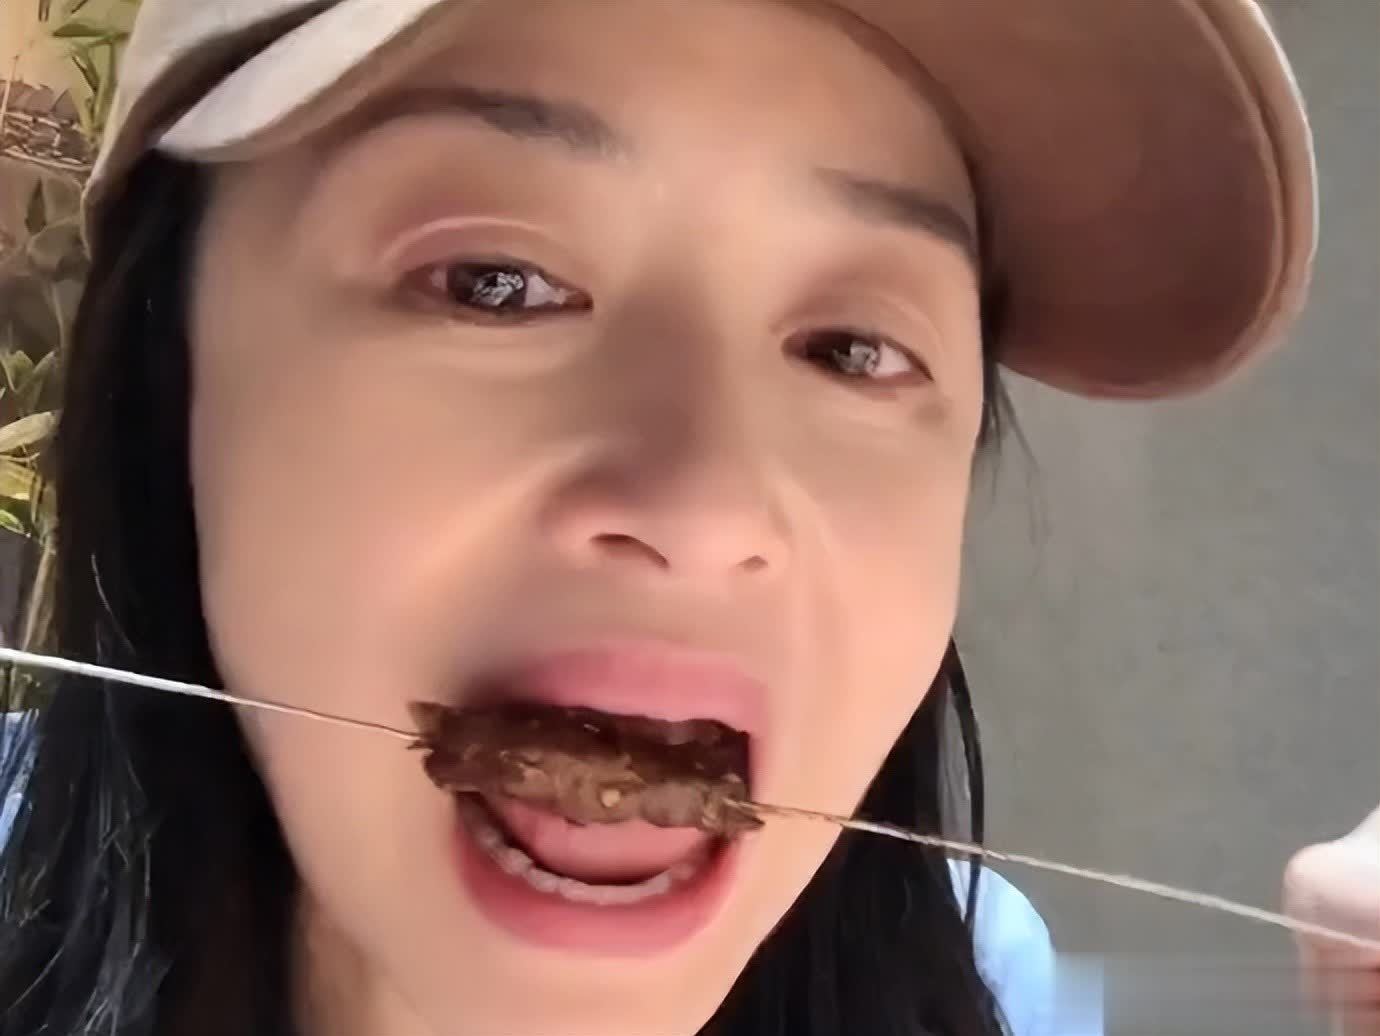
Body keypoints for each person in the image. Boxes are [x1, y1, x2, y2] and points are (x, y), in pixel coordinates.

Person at [0, 1, 1361, 1034]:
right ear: (163, 364)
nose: (705, 513)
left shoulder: (995, 985)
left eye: (853, 350)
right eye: (494, 281)